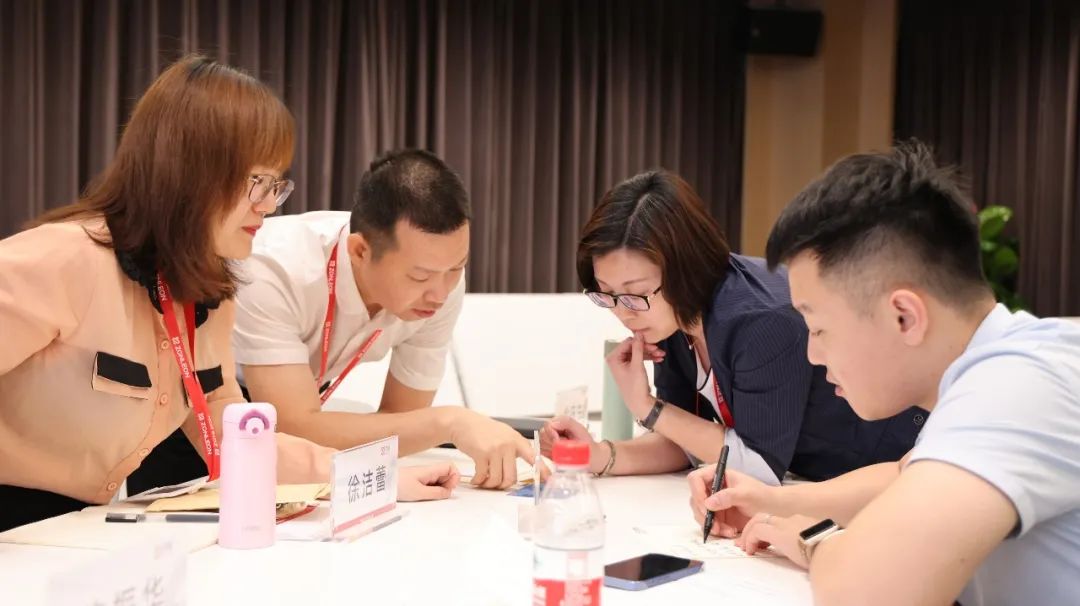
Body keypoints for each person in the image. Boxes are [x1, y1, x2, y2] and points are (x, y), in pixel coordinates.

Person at [0, 56, 457, 533]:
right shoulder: (66, 260)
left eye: (277, 185)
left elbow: (236, 432)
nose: (269, 205)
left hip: (65, 531)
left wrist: (370, 477)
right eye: (258, 183)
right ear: (187, 170)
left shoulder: (208, 293)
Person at [689, 143, 1080, 605]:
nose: (813, 354)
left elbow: (863, 591)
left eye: (819, 327)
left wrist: (814, 540)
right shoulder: (998, 366)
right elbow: (902, 473)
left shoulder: (1017, 388)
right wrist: (773, 502)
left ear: (904, 317)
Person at [540, 170, 923, 484]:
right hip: (815, 482)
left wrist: (648, 407)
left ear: (686, 267)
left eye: (636, 294)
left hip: (890, 470)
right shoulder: (669, 319)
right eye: (607, 295)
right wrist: (598, 455)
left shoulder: (762, 320)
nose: (624, 313)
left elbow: (758, 467)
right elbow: (686, 441)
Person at [231, 149, 539, 490]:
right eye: (420, 276)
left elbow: (400, 423)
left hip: (297, 412)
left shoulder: (441, 284)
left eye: (456, 268)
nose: (439, 294)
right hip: (221, 410)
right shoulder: (272, 269)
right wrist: (450, 422)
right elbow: (292, 428)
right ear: (360, 251)